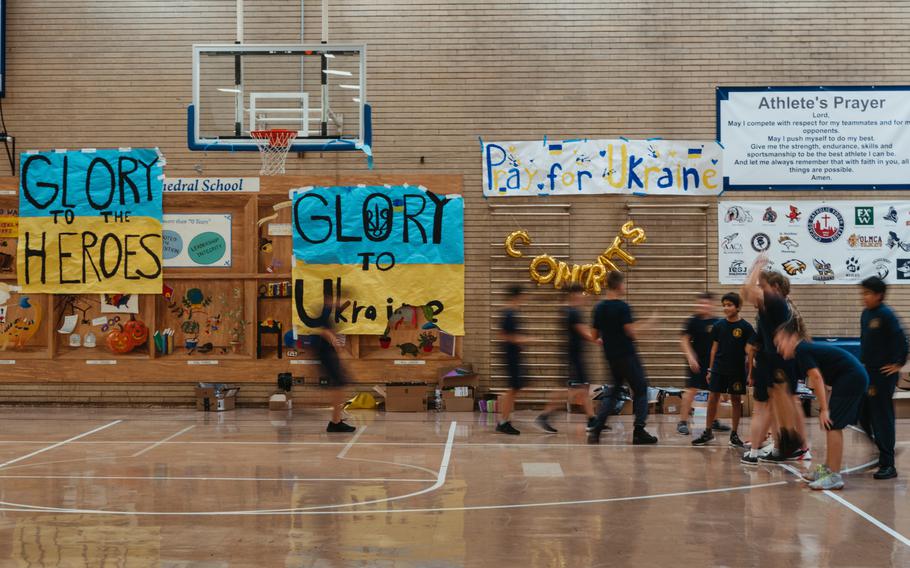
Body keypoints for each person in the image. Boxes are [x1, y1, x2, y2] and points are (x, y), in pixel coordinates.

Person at [775, 320, 869, 490]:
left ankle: (834, 476)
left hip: (852, 377)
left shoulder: (801, 349)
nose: (779, 348)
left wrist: (825, 410)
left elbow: (817, 378)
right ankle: (827, 469)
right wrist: (824, 407)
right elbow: (822, 382)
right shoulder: (802, 352)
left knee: (833, 425)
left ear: (792, 338)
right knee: (830, 424)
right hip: (848, 378)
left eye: (780, 342)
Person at [740, 255, 809, 464]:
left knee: (784, 404)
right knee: (774, 406)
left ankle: (796, 445)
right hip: (773, 361)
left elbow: (746, 291)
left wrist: (756, 266)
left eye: (763, 285)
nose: (759, 288)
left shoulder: (777, 301)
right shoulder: (772, 309)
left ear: (774, 287)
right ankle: (782, 446)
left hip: (780, 361)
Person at [587, 271, 658, 445]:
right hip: (627, 355)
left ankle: (596, 430)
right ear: (619, 285)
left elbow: (594, 335)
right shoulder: (622, 307)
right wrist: (649, 323)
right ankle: (639, 430)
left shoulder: (599, 308)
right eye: (624, 283)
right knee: (641, 389)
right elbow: (630, 332)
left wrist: (608, 339)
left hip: (611, 358)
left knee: (614, 393)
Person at [859, 276, 907, 480]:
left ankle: (888, 464)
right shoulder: (866, 314)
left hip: (883, 375)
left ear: (879, 295)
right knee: (863, 415)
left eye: (867, 293)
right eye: (863, 293)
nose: (864, 297)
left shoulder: (886, 314)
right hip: (868, 371)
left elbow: (903, 340)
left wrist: (898, 363)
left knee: (882, 417)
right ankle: (883, 450)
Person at [692, 292, 754, 447]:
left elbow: (751, 351)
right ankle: (708, 432)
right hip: (719, 369)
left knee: (735, 401)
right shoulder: (719, 326)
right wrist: (710, 370)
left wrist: (751, 373)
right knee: (713, 398)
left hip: (737, 370)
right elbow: (713, 349)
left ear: (738, 307)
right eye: (724, 305)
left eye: (730, 305)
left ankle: (734, 434)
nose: (726, 308)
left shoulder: (746, 327)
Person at [535, 284, 597, 433]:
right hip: (575, 356)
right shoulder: (573, 312)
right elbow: (585, 333)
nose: (584, 296)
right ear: (574, 295)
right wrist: (599, 339)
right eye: (581, 293)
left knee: (583, 388)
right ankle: (545, 415)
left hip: (575, 354)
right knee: (576, 389)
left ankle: (592, 420)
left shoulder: (569, 310)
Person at [677, 293, 729, 435]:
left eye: (705, 303)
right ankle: (682, 422)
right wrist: (690, 357)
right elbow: (684, 340)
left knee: (715, 392)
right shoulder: (692, 321)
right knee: (691, 391)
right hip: (696, 362)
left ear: (711, 305)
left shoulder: (718, 322)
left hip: (713, 362)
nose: (702, 306)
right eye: (700, 303)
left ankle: (714, 421)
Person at [315, 291, 356, 433]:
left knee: (339, 386)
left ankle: (336, 420)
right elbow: (321, 330)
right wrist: (333, 340)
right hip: (325, 354)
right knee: (338, 386)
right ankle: (335, 422)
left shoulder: (330, 314)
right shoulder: (324, 312)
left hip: (329, 354)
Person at [497, 285, 531, 435]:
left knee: (514, 389)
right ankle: (503, 421)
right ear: (517, 296)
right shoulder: (509, 313)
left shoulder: (511, 312)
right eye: (523, 296)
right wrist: (522, 339)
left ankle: (505, 419)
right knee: (512, 389)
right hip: (511, 355)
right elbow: (504, 335)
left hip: (514, 355)